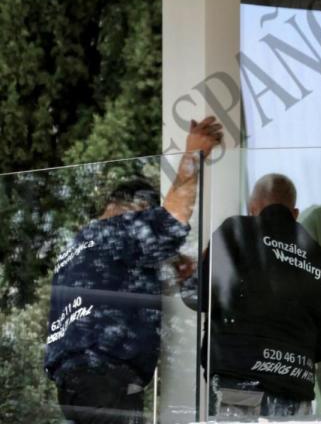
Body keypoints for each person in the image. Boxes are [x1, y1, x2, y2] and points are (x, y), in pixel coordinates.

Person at [43, 116, 223, 424]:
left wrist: (170, 257)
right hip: (104, 376)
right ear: (134, 209)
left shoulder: (81, 243)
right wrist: (194, 153)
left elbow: (118, 279)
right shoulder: (118, 229)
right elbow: (173, 217)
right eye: (144, 216)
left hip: (75, 380)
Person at [188, 173, 321, 418]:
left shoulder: (236, 232)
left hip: (240, 382)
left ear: (252, 209)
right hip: (296, 389)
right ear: (295, 213)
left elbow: (196, 294)